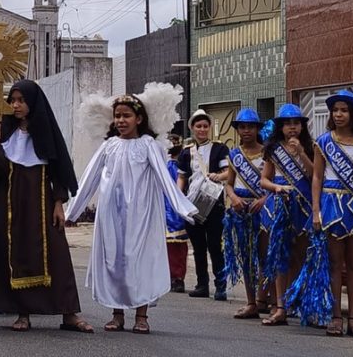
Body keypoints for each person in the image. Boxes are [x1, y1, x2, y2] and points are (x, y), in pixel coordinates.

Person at [66, 95, 197, 334]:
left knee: (140, 261)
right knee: (114, 261)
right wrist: (72, 211)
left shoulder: (148, 145)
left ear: (139, 118)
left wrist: (183, 207)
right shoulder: (109, 146)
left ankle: (141, 314)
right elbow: (89, 179)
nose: (121, 121)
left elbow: (165, 180)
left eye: (126, 116)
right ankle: (117, 314)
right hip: (111, 214)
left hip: (141, 214)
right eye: (117, 116)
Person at [0, 79, 93, 333]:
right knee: (13, 254)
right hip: (10, 204)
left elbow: (57, 170)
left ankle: (69, 313)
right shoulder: (4, 133)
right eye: (13, 100)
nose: (16, 105)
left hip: (42, 204)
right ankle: (22, 313)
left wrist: (59, 203)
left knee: (57, 257)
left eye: (21, 100)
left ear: (33, 103)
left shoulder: (45, 133)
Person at [311, 90, 353, 338]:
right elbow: (317, 177)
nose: (338, 114)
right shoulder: (323, 142)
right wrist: (316, 211)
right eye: (335, 110)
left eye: (344, 110)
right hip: (331, 205)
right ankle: (335, 316)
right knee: (334, 264)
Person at [259, 103, 314, 326]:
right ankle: (280, 306)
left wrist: (301, 152)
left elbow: (314, 176)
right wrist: (276, 188)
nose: (292, 128)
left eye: (296, 123)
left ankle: (298, 302)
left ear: (302, 126)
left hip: (303, 206)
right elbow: (264, 179)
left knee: (300, 256)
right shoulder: (273, 150)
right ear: (280, 127)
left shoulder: (311, 147)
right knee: (281, 255)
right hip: (280, 205)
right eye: (287, 124)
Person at [176, 109, 230, 300]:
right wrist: (178, 198)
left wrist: (218, 176)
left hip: (214, 204)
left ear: (209, 128)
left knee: (215, 245)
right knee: (198, 246)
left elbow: (228, 172)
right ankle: (202, 285)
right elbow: (182, 177)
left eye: (205, 126)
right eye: (198, 126)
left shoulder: (220, 149)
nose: (202, 129)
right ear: (192, 128)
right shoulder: (186, 152)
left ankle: (221, 285)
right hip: (193, 203)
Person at [222, 108, 270, 319]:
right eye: (242, 127)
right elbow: (229, 185)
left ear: (257, 128)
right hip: (240, 210)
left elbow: (273, 183)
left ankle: (264, 299)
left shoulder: (268, 152)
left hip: (263, 210)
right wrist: (233, 198)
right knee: (246, 257)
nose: (246, 131)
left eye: (250, 127)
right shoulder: (234, 155)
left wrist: (264, 200)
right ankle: (251, 302)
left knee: (264, 256)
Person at [165, 136, 190, 293]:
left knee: (178, 246)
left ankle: (177, 278)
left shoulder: (183, 164)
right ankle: (167, 277)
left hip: (176, 209)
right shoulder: (162, 163)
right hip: (162, 208)